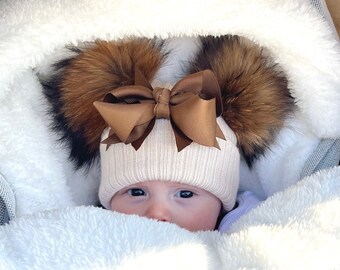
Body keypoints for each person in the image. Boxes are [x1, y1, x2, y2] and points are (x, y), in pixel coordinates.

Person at [94, 69, 261, 232]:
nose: (157, 214)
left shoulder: (250, 231)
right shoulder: (92, 234)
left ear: (221, 207)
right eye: (136, 192)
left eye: (185, 194)